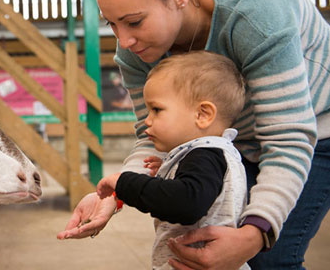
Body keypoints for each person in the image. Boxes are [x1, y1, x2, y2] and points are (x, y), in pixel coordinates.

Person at [56, 0, 330, 269]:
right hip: (232, 142)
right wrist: (115, 194)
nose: (123, 41)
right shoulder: (135, 53)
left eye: (135, 21)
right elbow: (153, 136)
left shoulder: (255, 11)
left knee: (269, 255)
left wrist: (254, 234)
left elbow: (288, 136)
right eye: (112, 23)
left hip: (314, 132)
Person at [95, 51, 250, 269]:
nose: (147, 121)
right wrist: (174, 171)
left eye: (157, 110)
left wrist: (124, 183)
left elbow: (185, 203)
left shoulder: (205, 155)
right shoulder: (215, 154)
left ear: (202, 114)